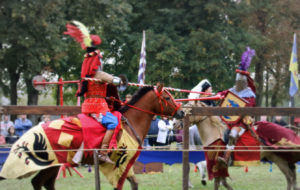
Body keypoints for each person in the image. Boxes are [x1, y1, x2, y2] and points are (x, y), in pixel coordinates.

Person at [64, 21, 123, 164]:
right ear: (96, 60)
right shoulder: (99, 74)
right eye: (100, 59)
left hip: (88, 106)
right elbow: (115, 81)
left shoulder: (86, 76)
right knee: (113, 122)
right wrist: (121, 81)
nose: (101, 62)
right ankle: (103, 152)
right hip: (98, 106)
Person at [218, 47, 260, 167]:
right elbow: (222, 94)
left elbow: (248, 109)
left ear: (245, 83)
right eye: (237, 82)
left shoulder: (249, 95)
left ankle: (226, 157)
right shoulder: (232, 91)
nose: (238, 84)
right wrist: (216, 95)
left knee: (232, 135)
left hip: (241, 122)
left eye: (240, 82)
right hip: (228, 120)